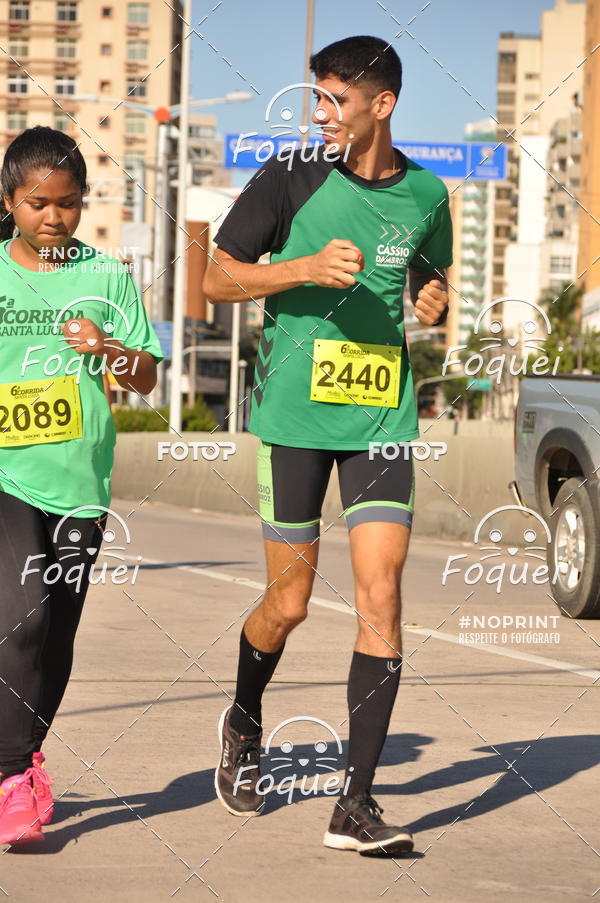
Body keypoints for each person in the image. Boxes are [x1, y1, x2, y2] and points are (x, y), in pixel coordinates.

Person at [204, 36, 452, 855]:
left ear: (381, 104)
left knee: (381, 598)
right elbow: (216, 276)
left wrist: (433, 301)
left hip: (383, 418)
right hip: (295, 422)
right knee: (291, 604)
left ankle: (356, 803)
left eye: (334, 99)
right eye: (316, 98)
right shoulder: (291, 177)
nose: (320, 113)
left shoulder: (427, 193)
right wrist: (304, 266)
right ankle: (244, 719)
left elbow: (426, 281)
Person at [0, 126, 163, 844]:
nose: (53, 218)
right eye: (38, 203)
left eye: (67, 204)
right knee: (25, 616)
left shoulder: (107, 277)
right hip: (7, 474)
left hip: (81, 484)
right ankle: (11, 776)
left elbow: (147, 377)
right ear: (10, 200)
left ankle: (25, 756)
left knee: (57, 632)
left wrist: (115, 351)